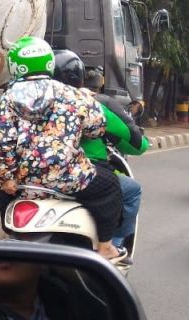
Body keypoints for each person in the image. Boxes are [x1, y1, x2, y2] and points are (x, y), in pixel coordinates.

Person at [0, 36, 124, 261]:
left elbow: (1, 139)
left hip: (22, 181)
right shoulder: (70, 93)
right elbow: (97, 127)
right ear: (49, 62)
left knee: (4, 198)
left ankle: (10, 235)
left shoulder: (7, 98)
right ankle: (106, 246)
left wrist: (7, 177)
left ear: (15, 66)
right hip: (66, 178)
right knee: (111, 187)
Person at [52, 51, 148, 262]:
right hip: (73, 173)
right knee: (130, 190)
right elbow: (136, 144)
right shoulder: (93, 103)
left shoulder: (26, 99)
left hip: (31, 175)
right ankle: (113, 246)